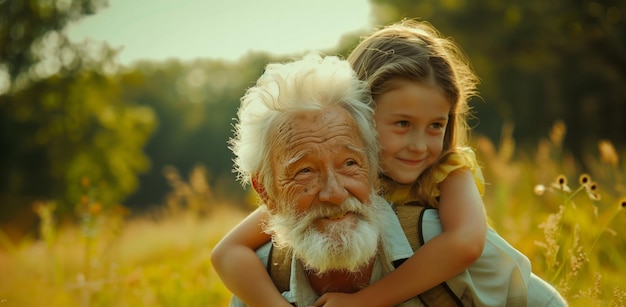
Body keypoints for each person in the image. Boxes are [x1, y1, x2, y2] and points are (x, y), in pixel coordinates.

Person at [212, 20, 566, 306]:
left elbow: (466, 243)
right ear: (361, 118)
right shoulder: (312, 198)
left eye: (436, 126)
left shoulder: (448, 171)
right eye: (402, 124)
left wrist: (366, 301)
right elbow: (229, 250)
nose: (418, 145)